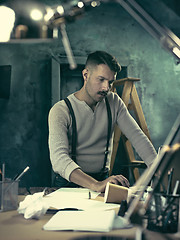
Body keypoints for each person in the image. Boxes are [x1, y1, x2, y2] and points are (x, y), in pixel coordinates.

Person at [48, 51, 157, 193]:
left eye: (110, 82)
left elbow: (138, 137)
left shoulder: (114, 102)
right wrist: (95, 185)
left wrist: (158, 169)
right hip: (69, 184)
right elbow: (59, 160)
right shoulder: (61, 110)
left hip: (102, 179)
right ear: (86, 75)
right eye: (101, 80)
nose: (106, 87)